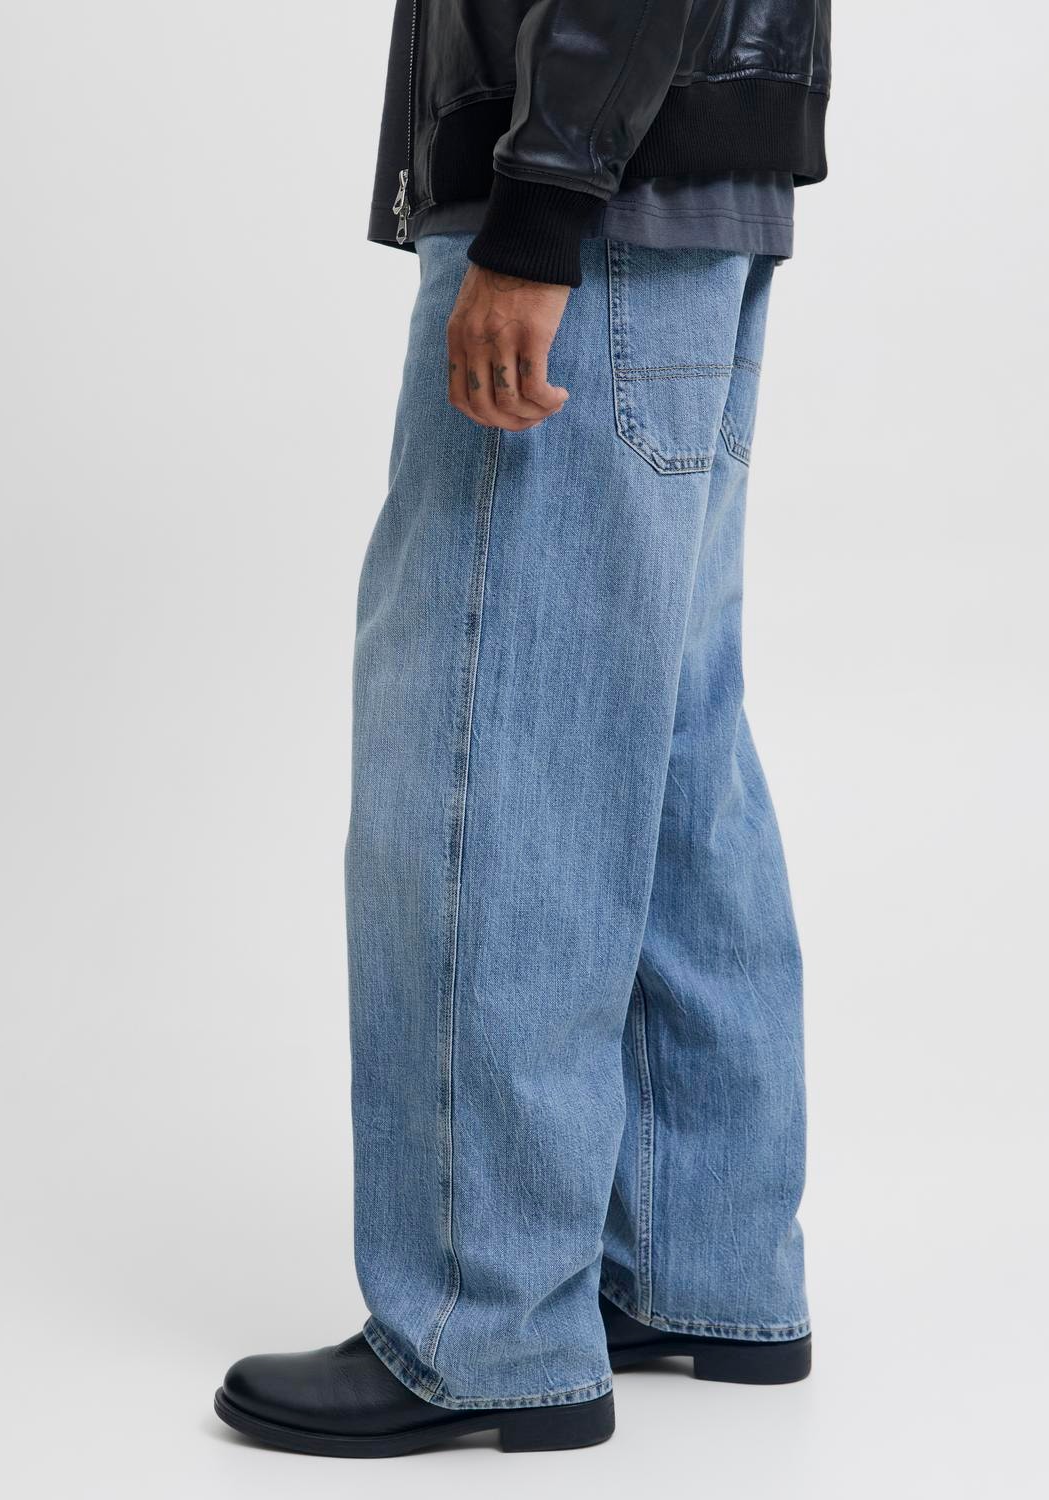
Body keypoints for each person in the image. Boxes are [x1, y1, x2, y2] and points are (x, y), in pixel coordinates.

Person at [214, 0, 830, 1459]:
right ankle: (698, 1264)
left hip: (591, 194)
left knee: (493, 767)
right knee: (669, 759)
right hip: (687, 183)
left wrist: (543, 200)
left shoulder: (562, 195)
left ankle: (481, 1322)